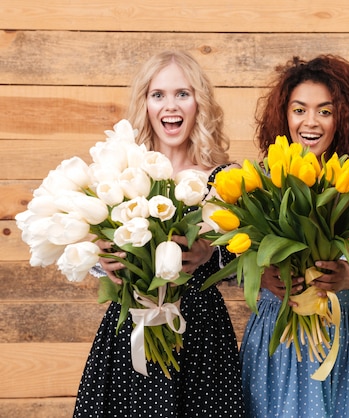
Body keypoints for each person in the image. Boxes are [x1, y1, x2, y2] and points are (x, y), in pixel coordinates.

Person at [73, 50, 246, 417]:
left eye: (183, 93)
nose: (171, 105)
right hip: (132, 323)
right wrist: (105, 259)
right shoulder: (120, 174)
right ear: (146, 104)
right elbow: (99, 244)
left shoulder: (223, 178)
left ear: (200, 103)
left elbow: (245, 253)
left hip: (201, 329)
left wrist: (211, 255)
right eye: (159, 95)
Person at [240, 55, 349, 418]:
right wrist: (261, 270)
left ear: (342, 117)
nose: (310, 122)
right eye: (299, 109)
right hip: (278, 323)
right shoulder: (264, 179)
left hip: (342, 324)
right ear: (284, 116)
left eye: (325, 111)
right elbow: (235, 250)